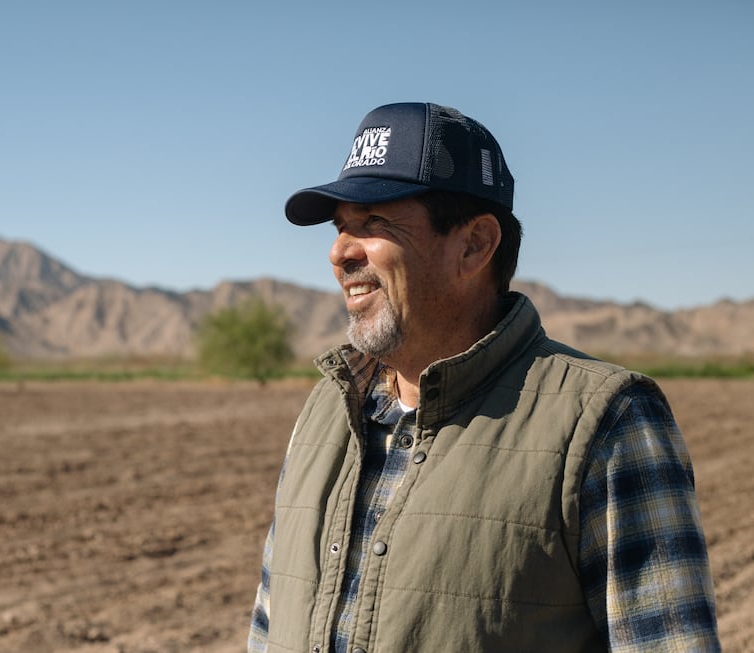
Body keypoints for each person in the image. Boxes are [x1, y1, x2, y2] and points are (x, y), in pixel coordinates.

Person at [248, 102, 720, 652]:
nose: (339, 253)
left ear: (474, 244)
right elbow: (268, 626)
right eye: (340, 228)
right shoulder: (326, 409)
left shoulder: (605, 421)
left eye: (373, 223)